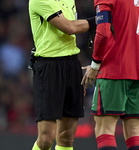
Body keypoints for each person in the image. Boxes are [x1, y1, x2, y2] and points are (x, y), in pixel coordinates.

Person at [81, 0, 139, 149]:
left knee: (105, 129)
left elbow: (103, 32)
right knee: (134, 134)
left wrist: (95, 64)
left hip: (114, 70)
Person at [28, 0, 96, 150]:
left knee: (66, 137)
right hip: (48, 66)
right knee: (46, 139)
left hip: (71, 64)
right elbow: (69, 27)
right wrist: (99, 20)